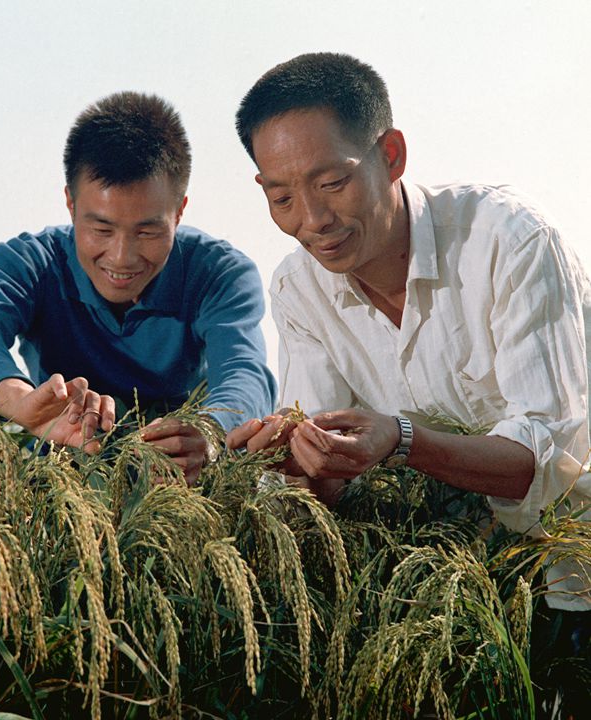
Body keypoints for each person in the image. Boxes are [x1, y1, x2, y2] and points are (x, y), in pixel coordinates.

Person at [226, 53, 591, 613]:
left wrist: (402, 440)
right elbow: (329, 484)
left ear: (391, 155)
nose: (313, 219)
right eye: (282, 199)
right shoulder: (298, 291)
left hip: (573, 566)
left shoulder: (510, 241)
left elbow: (553, 460)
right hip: (453, 591)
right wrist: (297, 463)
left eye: (332, 183)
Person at [0, 91, 276, 482]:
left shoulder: (220, 273)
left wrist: (210, 432)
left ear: (179, 212)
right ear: (70, 204)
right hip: (63, 475)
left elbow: (244, 371)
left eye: (147, 232)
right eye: (101, 229)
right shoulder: (29, 262)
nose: (121, 257)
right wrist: (19, 401)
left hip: (184, 478)